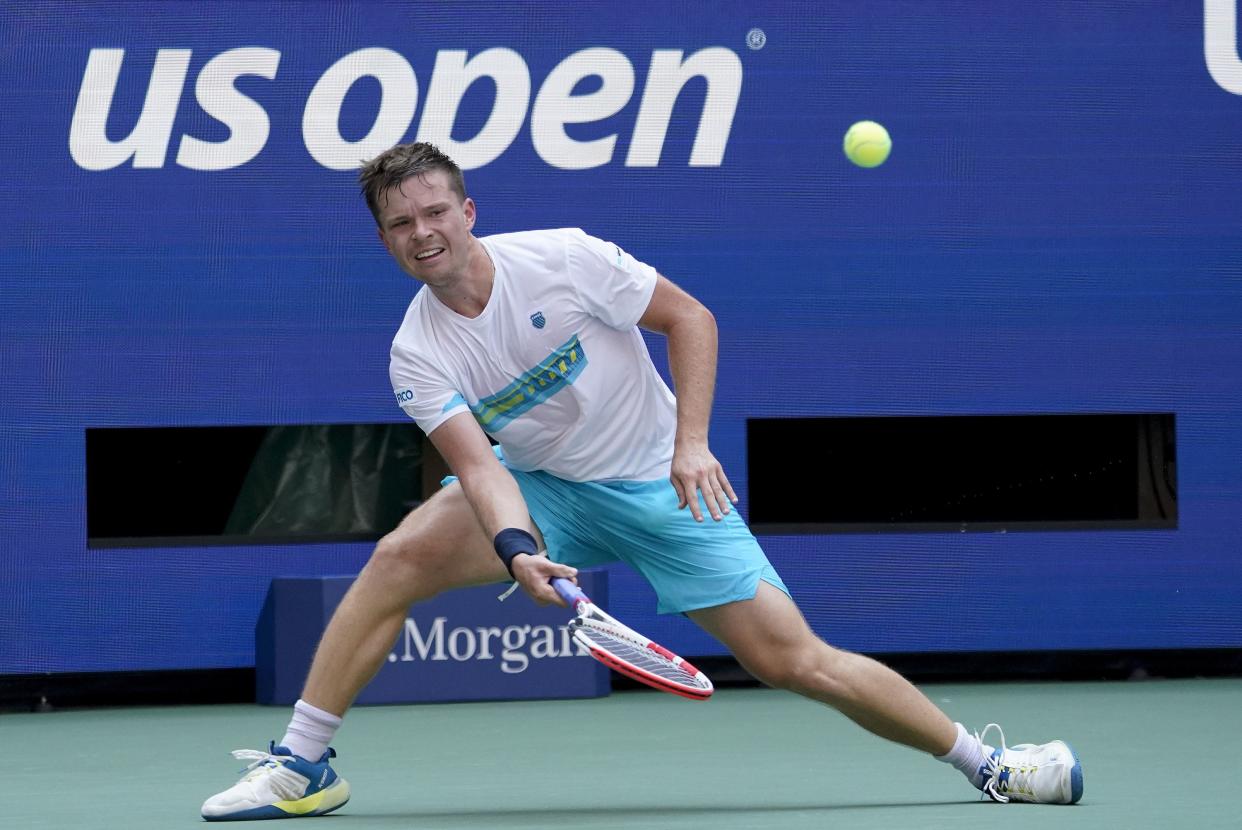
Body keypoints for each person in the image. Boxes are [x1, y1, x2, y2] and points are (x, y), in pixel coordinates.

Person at [201, 142, 1083, 821]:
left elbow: (688, 317)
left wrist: (691, 444)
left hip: (666, 486)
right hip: (544, 487)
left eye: (436, 211)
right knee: (397, 557)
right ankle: (304, 766)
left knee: (794, 661)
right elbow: (476, 467)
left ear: (468, 209)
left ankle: (992, 766)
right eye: (401, 224)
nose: (423, 233)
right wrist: (517, 553)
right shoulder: (415, 350)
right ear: (385, 239)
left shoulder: (566, 258)